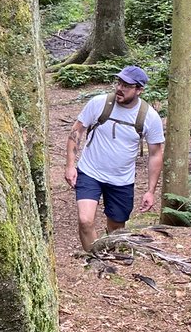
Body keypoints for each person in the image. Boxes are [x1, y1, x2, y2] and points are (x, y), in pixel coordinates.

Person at [63, 65, 164, 254]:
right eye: (119, 83)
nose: (120, 88)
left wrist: (150, 191)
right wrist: (70, 165)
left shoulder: (149, 117)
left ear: (139, 90)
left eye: (127, 85)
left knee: (117, 229)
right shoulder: (98, 103)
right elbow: (76, 132)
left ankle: (110, 254)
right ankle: (95, 258)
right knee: (85, 220)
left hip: (121, 180)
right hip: (89, 172)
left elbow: (156, 154)